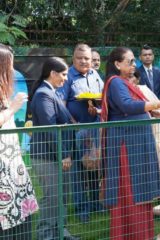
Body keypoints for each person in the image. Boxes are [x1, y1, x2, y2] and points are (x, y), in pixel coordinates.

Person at [100, 47, 160, 239]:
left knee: (140, 190)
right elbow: (127, 106)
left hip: (135, 144)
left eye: (133, 61)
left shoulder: (124, 82)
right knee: (130, 192)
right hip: (126, 147)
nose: (134, 65)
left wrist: (151, 111)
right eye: (129, 61)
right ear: (117, 64)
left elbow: (134, 107)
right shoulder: (115, 83)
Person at [29, 57, 79, 240]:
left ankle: (61, 232)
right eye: (64, 74)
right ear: (53, 73)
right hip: (47, 156)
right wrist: (64, 154)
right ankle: (46, 235)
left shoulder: (51, 92)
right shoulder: (44, 94)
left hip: (56, 156)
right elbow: (51, 129)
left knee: (62, 195)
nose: (66, 78)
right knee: (52, 198)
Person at [58, 43, 104, 223]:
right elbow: (61, 103)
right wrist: (73, 122)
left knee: (93, 167)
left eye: (87, 58)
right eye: (80, 58)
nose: (84, 61)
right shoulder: (67, 75)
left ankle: (95, 203)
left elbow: (102, 98)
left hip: (95, 130)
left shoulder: (95, 74)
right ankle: (81, 208)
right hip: (74, 131)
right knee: (77, 172)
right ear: (73, 59)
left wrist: (98, 110)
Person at [0, 44, 38, 240]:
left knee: (21, 213)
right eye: (10, 64)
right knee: (7, 214)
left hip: (11, 161)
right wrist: (13, 108)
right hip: (2, 168)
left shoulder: (4, 88)